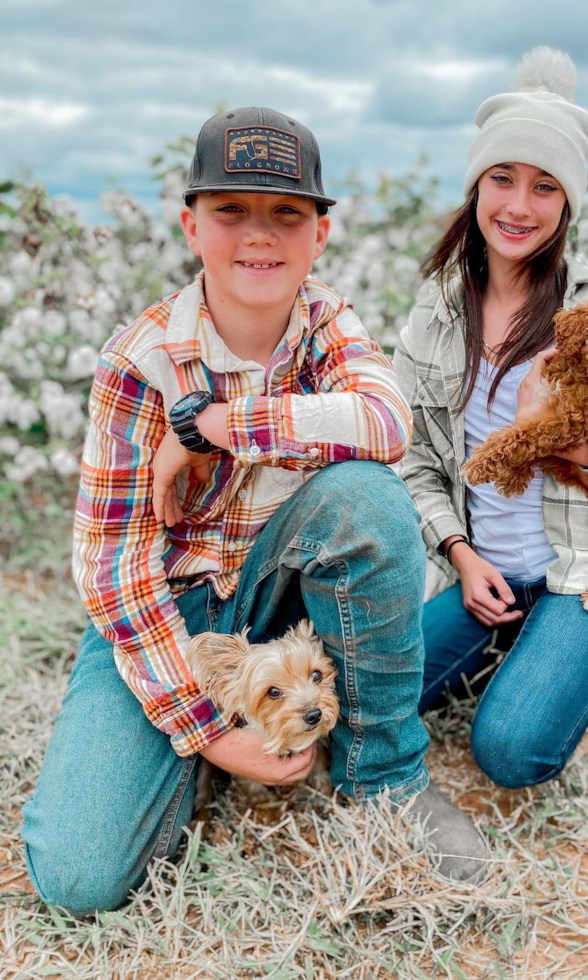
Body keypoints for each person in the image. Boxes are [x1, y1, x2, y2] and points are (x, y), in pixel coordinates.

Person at [22, 106, 488, 917]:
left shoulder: (327, 322)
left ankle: (384, 774)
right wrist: (208, 730)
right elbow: (113, 567)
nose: (260, 235)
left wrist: (211, 427)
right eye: (231, 210)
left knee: (368, 497)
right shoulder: (138, 361)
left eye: (287, 214)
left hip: (280, 589)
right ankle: (198, 743)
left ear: (320, 234)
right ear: (191, 226)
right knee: (79, 876)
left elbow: (386, 424)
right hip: (171, 606)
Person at [393, 48, 588, 788]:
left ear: (567, 204)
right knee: (375, 693)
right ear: (476, 187)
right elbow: (411, 459)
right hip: (484, 573)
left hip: (587, 566)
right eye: (502, 178)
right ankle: (521, 643)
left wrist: (564, 443)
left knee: (511, 749)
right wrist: (460, 555)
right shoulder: (434, 317)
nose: (519, 206)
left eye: (545, 186)